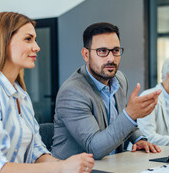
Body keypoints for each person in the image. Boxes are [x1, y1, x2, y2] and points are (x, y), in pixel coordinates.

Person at [0, 12, 94, 173]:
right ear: (2, 43)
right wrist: (60, 168)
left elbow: (36, 152)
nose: (37, 47)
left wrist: (72, 167)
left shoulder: (20, 94)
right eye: (28, 39)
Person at [51, 22, 161, 160]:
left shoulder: (120, 80)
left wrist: (139, 139)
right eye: (102, 51)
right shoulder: (72, 92)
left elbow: (119, 121)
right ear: (86, 54)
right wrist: (131, 114)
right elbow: (94, 148)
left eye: (115, 50)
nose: (111, 58)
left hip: (111, 166)